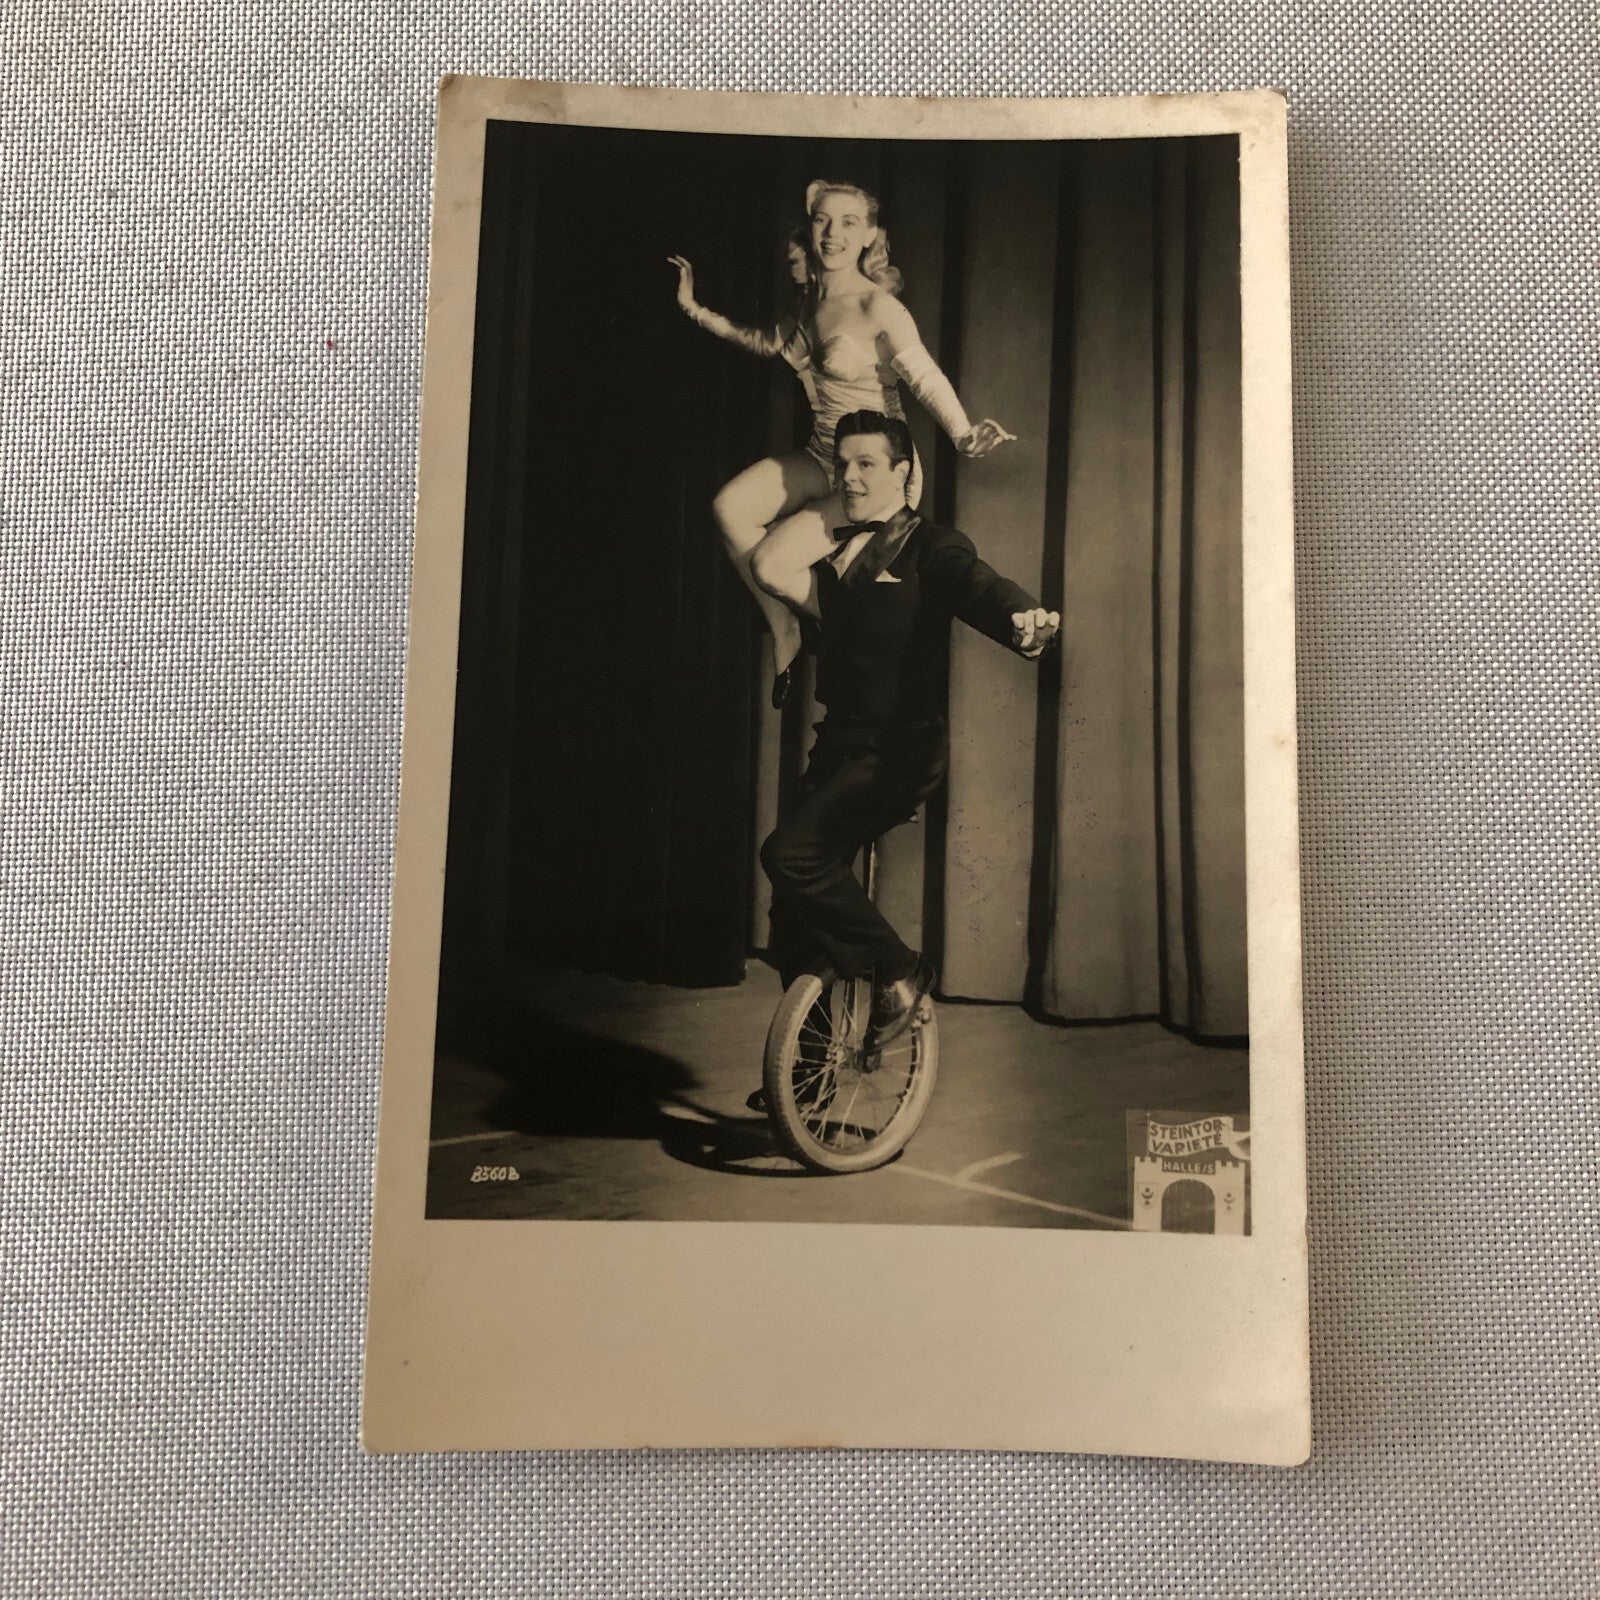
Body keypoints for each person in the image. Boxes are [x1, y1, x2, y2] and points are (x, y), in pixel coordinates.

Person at [759, 408, 1059, 1045]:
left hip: (900, 748)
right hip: (841, 744)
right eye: (842, 465)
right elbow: (768, 566)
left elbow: (975, 585)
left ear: (904, 471)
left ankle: (900, 970)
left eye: (866, 464)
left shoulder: (931, 545)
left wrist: (1021, 619)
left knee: (790, 854)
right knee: (792, 908)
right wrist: (831, 514)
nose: (849, 477)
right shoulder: (835, 555)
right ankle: (813, 1066)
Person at [669, 179, 1015, 707]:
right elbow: (763, 341)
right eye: (822, 220)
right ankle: (786, 630)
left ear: (871, 235)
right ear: (810, 228)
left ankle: (861, 632)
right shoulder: (808, 302)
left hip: (876, 471)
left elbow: (923, 376)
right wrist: (694, 309)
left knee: (771, 566)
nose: (832, 233)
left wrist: (964, 433)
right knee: (729, 508)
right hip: (821, 454)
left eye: (849, 222)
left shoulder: (879, 307)